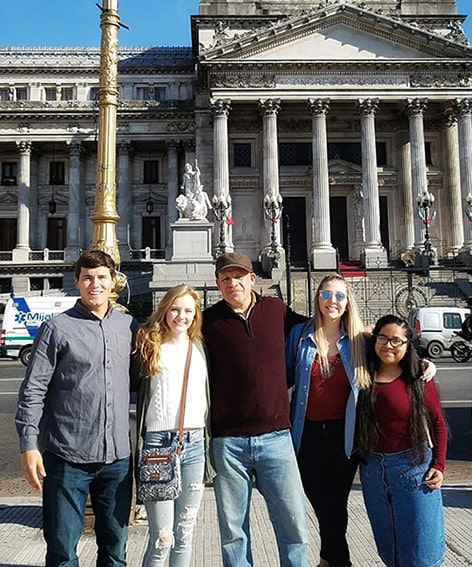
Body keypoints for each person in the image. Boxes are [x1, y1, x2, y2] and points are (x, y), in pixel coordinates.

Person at [15, 249, 137, 567]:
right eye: (87, 277)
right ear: (77, 282)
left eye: (101, 277)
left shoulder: (128, 326)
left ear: (113, 282)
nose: (94, 284)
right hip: (68, 458)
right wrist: (29, 446)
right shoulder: (57, 328)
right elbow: (32, 392)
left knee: (115, 549)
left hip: (117, 460)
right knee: (62, 551)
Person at [202, 252, 309, 567]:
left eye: (239, 277)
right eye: (225, 278)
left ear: (253, 279)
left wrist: (365, 335)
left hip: (277, 438)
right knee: (234, 534)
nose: (232, 283)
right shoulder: (208, 322)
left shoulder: (275, 310)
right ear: (218, 283)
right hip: (228, 442)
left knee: (294, 526)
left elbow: (320, 332)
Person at [286, 272, 370, 567]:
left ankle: (329, 560)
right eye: (325, 294)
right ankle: (333, 560)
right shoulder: (299, 335)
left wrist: (424, 364)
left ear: (348, 303)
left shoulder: (361, 341)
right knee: (323, 504)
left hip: (344, 436)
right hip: (306, 434)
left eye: (339, 296)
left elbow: (395, 359)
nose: (331, 301)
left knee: (336, 504)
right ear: (317, 298)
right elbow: (279, 378)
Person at [356, 315, 447, 567]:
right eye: (383, 338)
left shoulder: (417, 376)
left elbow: (437, 422)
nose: (389, 345)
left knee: (422, 551)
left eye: (397, 341)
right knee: (390, 547)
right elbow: (346, 333)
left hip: (414, 469)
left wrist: (439, 465)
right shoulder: (362, 375)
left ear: (408, 345)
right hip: (373, 471)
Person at [132, 284, 212, 567]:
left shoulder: (200, 347)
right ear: (164, 310)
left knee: (185, 532)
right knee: (162, 537)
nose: (181, 316)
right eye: (175, 309)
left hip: (194, 443)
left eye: (188, 310)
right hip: (157, 446)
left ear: (196, 314)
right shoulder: (149, 345)